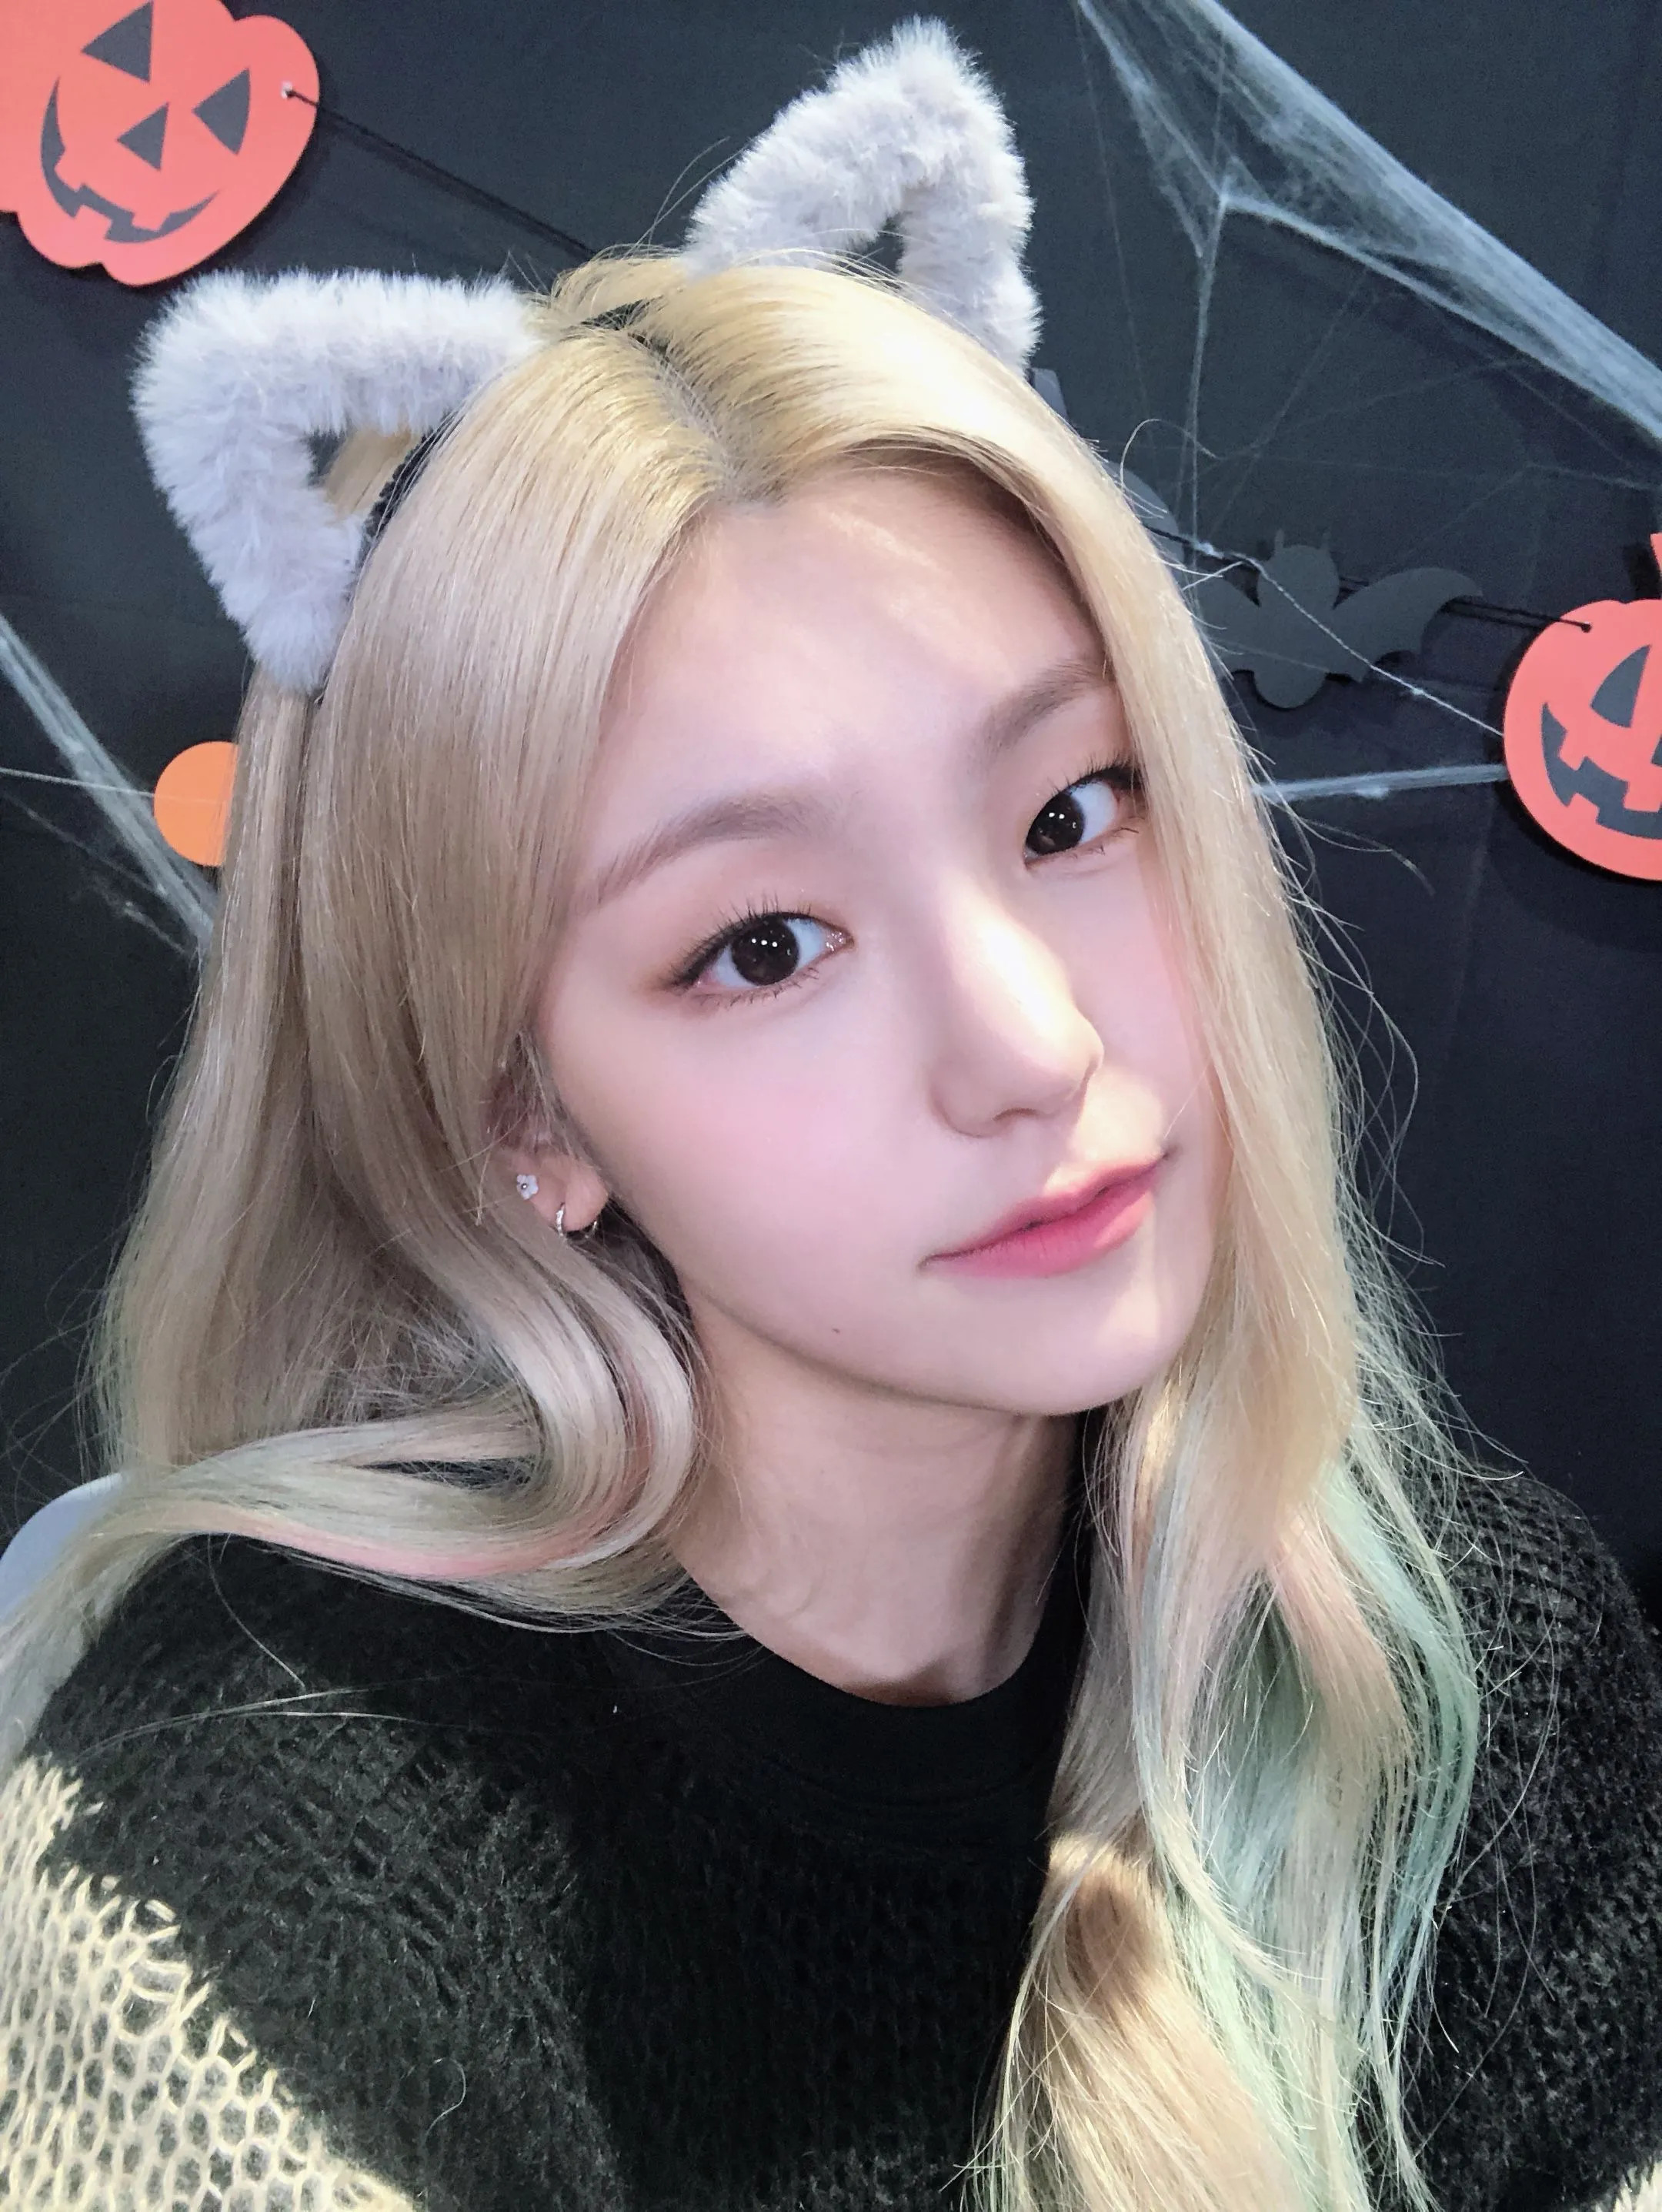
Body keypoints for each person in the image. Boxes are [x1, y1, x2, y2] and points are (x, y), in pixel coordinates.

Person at [0, 22, 1657, 2212]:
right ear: (524, 1118)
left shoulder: (1456, 1679)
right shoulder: (251, 1866)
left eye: (1072, 809)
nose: (1031, 1045)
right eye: (765, 943)